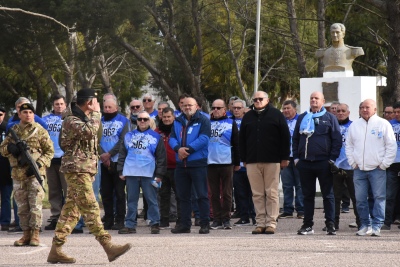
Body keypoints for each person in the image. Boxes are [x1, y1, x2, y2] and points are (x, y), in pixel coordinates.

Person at [47, 89, 131, 264]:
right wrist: (97, 113)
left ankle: (56, 249)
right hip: (76, 169)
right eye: (95, 101)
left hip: (85, 169)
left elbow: (94, 134)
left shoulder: (86, 119)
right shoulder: (71, 119)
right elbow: (89, 132)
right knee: (91, 207)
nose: (97, 105)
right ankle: (108, 246)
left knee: (71, 211)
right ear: (88, 103)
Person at [0, 103, 54, 246]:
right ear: (19, 115)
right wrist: (10, 148)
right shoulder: (13, 131)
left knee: (35, 205)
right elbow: (2, 149)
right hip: (18, 174)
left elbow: (49, 152)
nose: (28, 115)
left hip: (34, 174)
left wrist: (39, 164)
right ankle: (25, 234)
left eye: (30, 112)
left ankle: (35, 234)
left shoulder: (40, 131)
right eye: (25, 112)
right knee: (22, 207)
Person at [239, 91, 290, 235]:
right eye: (255, 99)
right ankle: (260, 222)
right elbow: (241, 139)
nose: (257, 101)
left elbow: (285, 137)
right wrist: (244, 159)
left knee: (272, 193)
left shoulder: (276, 115)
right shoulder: (247, 117)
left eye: (260, 99)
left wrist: (284, 157)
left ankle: (271, 223)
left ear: (267, 100)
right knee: (257, 194)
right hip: (252, 161)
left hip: (272, 160)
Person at [293, 91, 342, 235]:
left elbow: (336, 140)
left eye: (316, 98)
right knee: (307, 195)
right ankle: (307, 225)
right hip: (305, 163)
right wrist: (296, 158)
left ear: (323, 101)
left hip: (323, 163)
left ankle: (330, 224)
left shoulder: (330, 118)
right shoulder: (303, 117)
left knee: (328, 195)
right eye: (311, 98)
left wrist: (331, 159)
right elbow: (295, 139)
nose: (313, 100)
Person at [346, 99, 396, 236]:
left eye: (367, 107)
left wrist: (384, 164)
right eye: (361, 107)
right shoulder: (354, 125)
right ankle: (364, 224)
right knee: (360, 199)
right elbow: (349, 145)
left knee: (379, 197)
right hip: (359, 170)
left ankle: (377, 225)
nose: (364, 109)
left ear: (374, 109)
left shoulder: (383, 124)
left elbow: (391, 146)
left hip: (377, 169)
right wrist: (352, 162)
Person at [117, 111, 166, 234]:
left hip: (149, 173)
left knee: (152, 200)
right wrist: (120, 170)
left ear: (149, 121)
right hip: (131, 173)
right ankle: (130, 225)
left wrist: (159, 175)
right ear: (136, 121)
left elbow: (161, 157)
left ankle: (155, 223)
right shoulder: (128, 136)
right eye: (140, 119)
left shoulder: (156, 137)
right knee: (131, 200)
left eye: (145, 119)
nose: (142, 121)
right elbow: (122, 154)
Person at [169, 97, 211, 234]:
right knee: (183, 196)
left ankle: (204, 223)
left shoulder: (203, 120)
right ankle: (184, 224)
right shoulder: (177, 120)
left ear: (197, 106)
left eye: (190, 105)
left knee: (202, 195)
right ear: (181, 107)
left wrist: (188, 150)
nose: (187, 107)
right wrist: (177, 149)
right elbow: (172, 138)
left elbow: (204, 138)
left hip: (198, 163)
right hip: (181, 164)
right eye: (184, 105)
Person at [208, 99, 240, 230]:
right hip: (211, 162)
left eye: (218, 108)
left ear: (224, 109)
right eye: (213, 107)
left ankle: (226, 219)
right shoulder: (207, 123)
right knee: (214, 193)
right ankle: (217, 219)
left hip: (227, 162)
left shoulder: (230, 122)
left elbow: (237, 143)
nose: (215, 110)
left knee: (227, 193)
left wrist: (237, 162)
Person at [99, 98, 129, 230]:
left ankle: (120, 219)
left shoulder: (123, 121)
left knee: (119, 192)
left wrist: (110, 154)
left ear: (116, 108)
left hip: (118, 161)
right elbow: (95, 139)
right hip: (103, 162)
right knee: (105, 192)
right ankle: (108, 219)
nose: (107, 110)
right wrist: (103, 155)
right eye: (105, 107)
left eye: (110, 107)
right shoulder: (99, 121)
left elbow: (124, 140)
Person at [330, 103, 360, 230]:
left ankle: (361, 222)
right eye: (338, 111)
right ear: (335, 113)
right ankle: (333, 223)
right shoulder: (331, 127)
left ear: (348, 113)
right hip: (335, 166)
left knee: (355, 196)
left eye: (343, 111)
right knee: (335, 197)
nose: (340, 113)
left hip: (351, 166)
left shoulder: (354, 126)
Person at [42, 95, 68, 231]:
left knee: (67, 189)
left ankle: (67, 218)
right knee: (54, 190)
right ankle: (55, 216)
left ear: (65, 105)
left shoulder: (69, 119)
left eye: (61, 104)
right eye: (57, 104)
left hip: (65, 158)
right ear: (53, 105)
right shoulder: (45, 120)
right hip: (51, 158)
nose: (59, 106)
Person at [231, 99, 256, 226]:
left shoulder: (249, 121)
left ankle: (255, 216)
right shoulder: (229, 122)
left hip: (250, 162)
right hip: (236, 164)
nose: (236, 110)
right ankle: (244, 217)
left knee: (253, 192)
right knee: (240, 193)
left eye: (239, 108)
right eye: (234, 108)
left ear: (244, 109)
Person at [278, 100, 304, 219]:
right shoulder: (280, 121)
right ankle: (288, 209)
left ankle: (301, 210)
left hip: (298, 157)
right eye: (284, 108)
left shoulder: (301, 120)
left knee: (300, 184)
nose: (286, 111)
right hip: (285, 156)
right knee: (287, 185)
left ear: (295, 109)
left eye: (288, 108)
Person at [155, 107, 180, 228]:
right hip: (162, 168)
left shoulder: (179, 129)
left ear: (173, 117)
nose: (166, 119)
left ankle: (181, 219)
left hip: (176, 166)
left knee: (179, 194)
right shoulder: (157, 131)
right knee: (163, 194)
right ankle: (164, 219)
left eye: (169, 116)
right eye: (164, 117)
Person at [383, 102, 400, 230]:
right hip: (392, 163)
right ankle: (387, 221)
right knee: (389, 194)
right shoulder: (389, 125)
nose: (396, 115)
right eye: (396, 112)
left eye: (399, 112)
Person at [0, 106, 12, 231]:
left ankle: (5, 221)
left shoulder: (7, 128)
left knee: (6, 196)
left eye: (0, 114)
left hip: (5, 167)